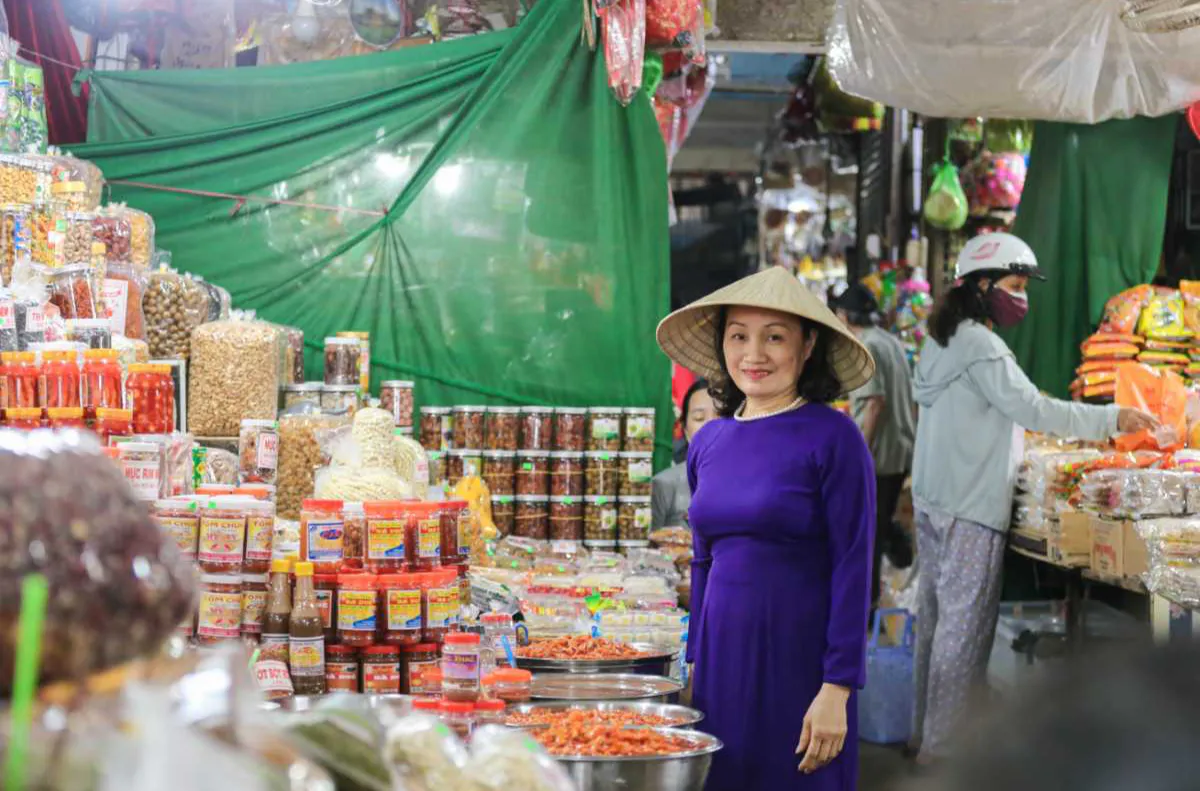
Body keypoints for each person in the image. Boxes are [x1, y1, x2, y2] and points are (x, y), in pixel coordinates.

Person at [909, 232, 1158, 763]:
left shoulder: (939, 340)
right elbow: (1036, 411)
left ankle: (921, 734)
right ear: (982, 285)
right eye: (1015, 284)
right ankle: (944, 750)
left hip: (933, 497)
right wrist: (1112, 417)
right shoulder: (982, 345)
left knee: (933, 623)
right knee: (964, 630)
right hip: (970, 506)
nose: (1021, 296)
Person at [656, 265, 877, 790]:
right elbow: (704, 559)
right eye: (739, 336)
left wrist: (838, 688)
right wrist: (694, 666)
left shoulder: (835, 437)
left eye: (774, 337)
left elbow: (855, 565)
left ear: (807, 347)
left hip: (799, 663)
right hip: (720, 663)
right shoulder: (708, 443)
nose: (753, 354)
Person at [832, 282, 916, 608]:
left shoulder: (863, 346)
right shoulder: (890, 341)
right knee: (876, 529)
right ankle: (872, 600)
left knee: (867, 536)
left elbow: (875, 403)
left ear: (843, 315)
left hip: (877, 457)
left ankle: (864, 609)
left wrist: (859, 452)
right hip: (899, 451)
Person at [652, 378, 717, 528]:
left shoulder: (750, 483)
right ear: (685, 430)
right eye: (699, 418)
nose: (710, 425)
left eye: (720, 415)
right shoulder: (664, 485)